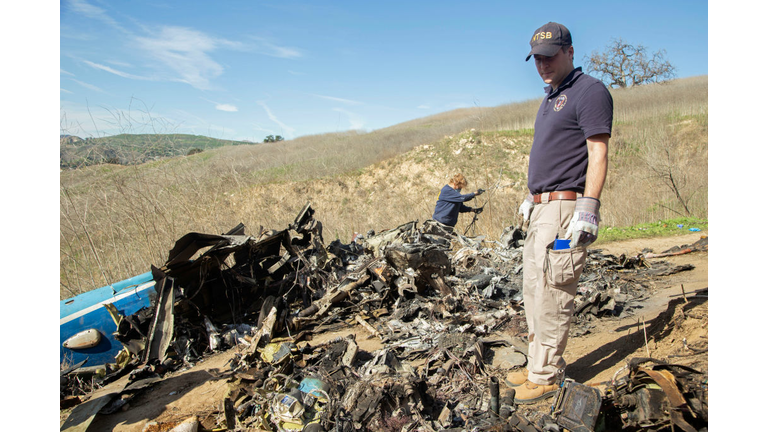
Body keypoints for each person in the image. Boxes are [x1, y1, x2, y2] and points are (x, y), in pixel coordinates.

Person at [506, 22, 613, 404]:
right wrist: (530, 196)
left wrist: (589, 207)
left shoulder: (589, 91)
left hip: (567, 208)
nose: (543, 65)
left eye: (550, 56)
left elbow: (597, 152)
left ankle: (546, 375)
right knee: (534, 291)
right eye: (537, 59)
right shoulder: (550, 97)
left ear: (569, 51)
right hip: (541, 208)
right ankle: (537, 364)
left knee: (554, 291)